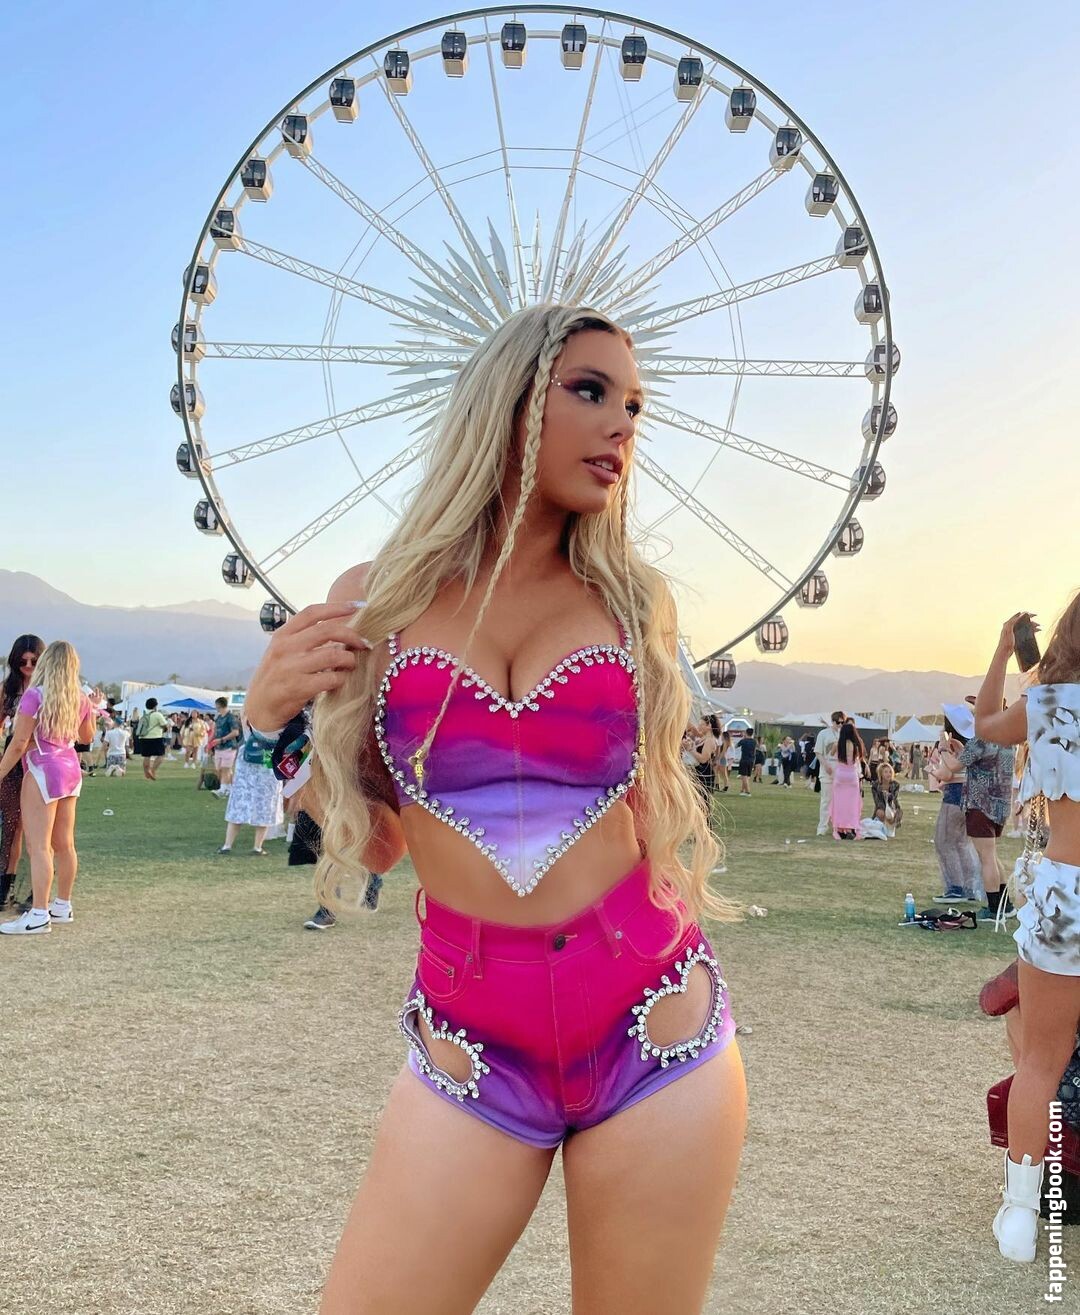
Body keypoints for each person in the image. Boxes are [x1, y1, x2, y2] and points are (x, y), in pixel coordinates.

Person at [243, 304, 746, 1313]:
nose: (622, 424)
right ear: (509, 399)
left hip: (657, 1030)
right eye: (590, 390)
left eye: (635, 405)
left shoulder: (633, 603)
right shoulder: (377, 600)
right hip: (470, 1049)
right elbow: (377, 845)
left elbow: (646, 817)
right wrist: (268, 722)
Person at [974, 602, 1080, 1264]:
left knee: (1041, 1060)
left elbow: (985, 723)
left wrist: (1002, 650)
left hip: (1065, 892)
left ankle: (1019, 1216)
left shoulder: (1048, 706)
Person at [0, 641, 95, 935]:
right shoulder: (80, 698)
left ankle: (39, 913)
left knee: (39, 845)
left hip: (42, 768)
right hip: (70, 769)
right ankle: (62, 905)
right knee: (65, 844)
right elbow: (86, 737)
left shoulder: (35, 696)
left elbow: (19, 743)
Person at [940, 695, 1016, 923]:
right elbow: (983, 762)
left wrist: (943, 748)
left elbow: (953, 767)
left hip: (980, 804)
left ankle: (993, 909)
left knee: (986, 858)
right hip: (999, 805)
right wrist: (962, 750)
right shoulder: (1008, 738)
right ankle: (1004, 905)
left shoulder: (982, 738)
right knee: (991, 855)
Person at [0, 634, 46, 911]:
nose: (28, 666)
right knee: (10, 825)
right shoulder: (8, 689)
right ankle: (5, 886)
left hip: (40, 760)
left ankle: (34, 891)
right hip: (11, 760)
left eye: (33, 661)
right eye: (22, 661)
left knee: (38, 829)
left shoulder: (50, 690)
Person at [218, 717, 284, 854]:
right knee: (266, 805)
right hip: (268, 760)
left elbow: (244, 720)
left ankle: (227, 845)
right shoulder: (277, 723)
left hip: (247, 762)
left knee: (239, 805)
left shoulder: (250, 718)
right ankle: (257, 847)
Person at [830, 719, 864, 840]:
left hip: (840, 774)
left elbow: (831, 754)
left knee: (839, 802)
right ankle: (852, 828)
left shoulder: (837, 744)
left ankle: (838, 828)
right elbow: (858, 758)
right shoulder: (856, 745)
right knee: (852, 803)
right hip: (852, 775)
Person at [813, 711, 844, 835]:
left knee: (840, 801)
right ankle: (822, 827)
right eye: (838, 722)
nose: (840, 725)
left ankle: (838, 826)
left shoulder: (844, 734)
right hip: (827, 770)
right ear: (833, 721)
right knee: (826, 800)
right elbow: (818, 752)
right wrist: (825, 765)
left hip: (841, 771)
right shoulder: (823, 734)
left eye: (842, 722)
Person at [210, 697, 241, 794]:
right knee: (219, 768)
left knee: (226, 768)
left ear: (219, 705)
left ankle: (223, 789)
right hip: (218, 747)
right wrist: (209, 742)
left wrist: (222, 739)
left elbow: (235, 732)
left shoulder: (231, 717)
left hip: (229, 746)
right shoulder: (219, 717)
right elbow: (215, 731)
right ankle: (229, 788)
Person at [136, 698, 169, 781]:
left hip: (143, 737)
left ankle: (146, 772)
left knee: (147, 756)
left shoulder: (144, 715)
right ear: (155, 706)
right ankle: (152, 770)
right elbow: (165, 725)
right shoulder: (158, 714)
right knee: (161, 755)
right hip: (156, 737)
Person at [870, 761, 903, 837]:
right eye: (886, 772)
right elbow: (877, 802)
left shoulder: (896, 784)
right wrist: (885, 814)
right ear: (881, 774)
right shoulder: (875, 785)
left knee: (894, 814)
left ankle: (890, 826)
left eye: (890, 772)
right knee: (880, 813)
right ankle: (882, 827)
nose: (888, 774)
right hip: (881, 807)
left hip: (892, 806)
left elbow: (894, 799)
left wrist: (888, 795)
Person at [735, 725, 756, 795]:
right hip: (751, 760)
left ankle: (748, 791)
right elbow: (754, 751)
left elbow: (736, 746)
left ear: (746, 733)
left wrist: (743, 738)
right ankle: (742, 790)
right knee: (747, 776)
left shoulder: (743, 741)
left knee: (744, 776)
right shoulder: (754, 741)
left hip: (744, 760)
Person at [713, 729, 731, 793]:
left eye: (722, 735)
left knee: (723, 774)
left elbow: (723, 751)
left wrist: (718, 759)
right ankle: (717, 785)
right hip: (720, 758)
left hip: (722, 759)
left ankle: (726, 786)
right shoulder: (722, 742)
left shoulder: (725, 742)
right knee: (716, 772)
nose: (721, 736)